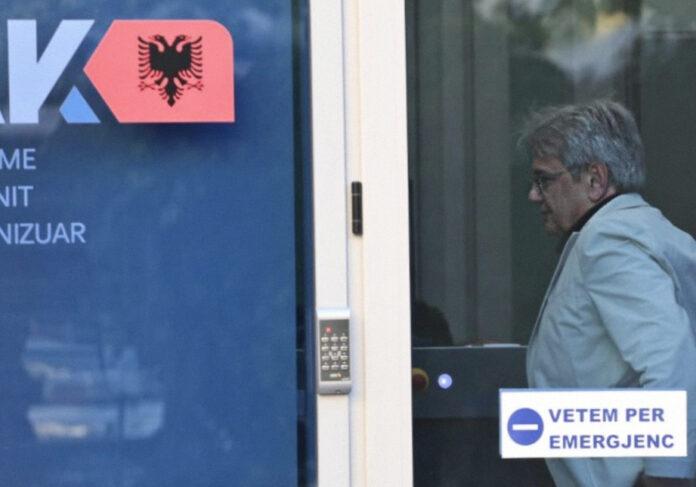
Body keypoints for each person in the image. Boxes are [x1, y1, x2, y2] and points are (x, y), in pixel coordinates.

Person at [521, 100, 696, 487]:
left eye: (544, 180)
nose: (534, 195)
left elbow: (669, 361)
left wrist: (665, 478)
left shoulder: (608, 240)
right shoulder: (648, 229)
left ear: (595, 179)